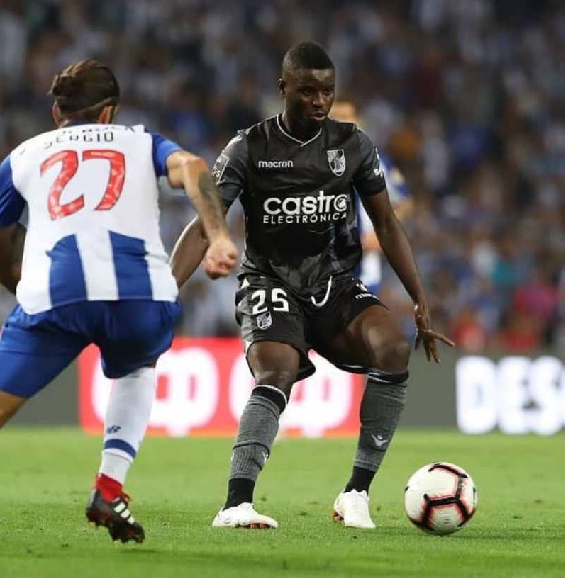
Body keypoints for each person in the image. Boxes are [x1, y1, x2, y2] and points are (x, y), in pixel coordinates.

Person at [171, 41, 453, 530]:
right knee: (277, 370)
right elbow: (205, 223)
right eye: (307, 91)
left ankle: (356, 493)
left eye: (327, 91)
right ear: (284, 89)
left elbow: (386, 223)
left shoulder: (354, 145)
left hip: (333, 283)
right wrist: (164, 292)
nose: (319, 101)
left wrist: (420, 300)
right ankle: (236, 502)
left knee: (391, 349)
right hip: (270, 280)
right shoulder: (249, 148)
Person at [0, 60, 237, 542]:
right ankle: (109, 487)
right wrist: (216, 236)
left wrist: (22, 294)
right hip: (140, 294)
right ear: (108, 112)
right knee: (137, 367)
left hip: (55, 295)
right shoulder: (142, 141)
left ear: (56, 111)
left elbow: (4, 249)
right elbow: (194, 167)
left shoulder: (21, 158)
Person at [329, 99, 413, 295]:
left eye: (345, 118)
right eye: (333, 118)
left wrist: (381, 233)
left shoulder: (375, 161)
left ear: (358, 122)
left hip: (364, 271)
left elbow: (405, 203)